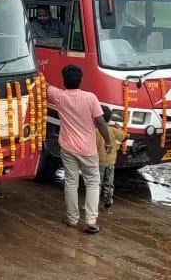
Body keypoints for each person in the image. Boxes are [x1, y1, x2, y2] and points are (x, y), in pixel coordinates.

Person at [45, 64, 113, 234]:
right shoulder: (91, 98)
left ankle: (72, 219)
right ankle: (91, 221)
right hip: (88, 149)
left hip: (67, 148)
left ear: (64, 81)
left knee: (71, 182)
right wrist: (108, 142)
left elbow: (45, 86)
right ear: (80, 80)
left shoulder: (59, 96)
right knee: (92, 184)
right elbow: (101, 122)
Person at [97, 105, 128, 211]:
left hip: (98, 162)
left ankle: (94, 205)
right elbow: (124, 137)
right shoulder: (113, 130)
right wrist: (119, 128)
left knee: (97, 184)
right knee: (109, 183)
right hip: (110, 162)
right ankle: (107, 205)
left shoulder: (95, 131)